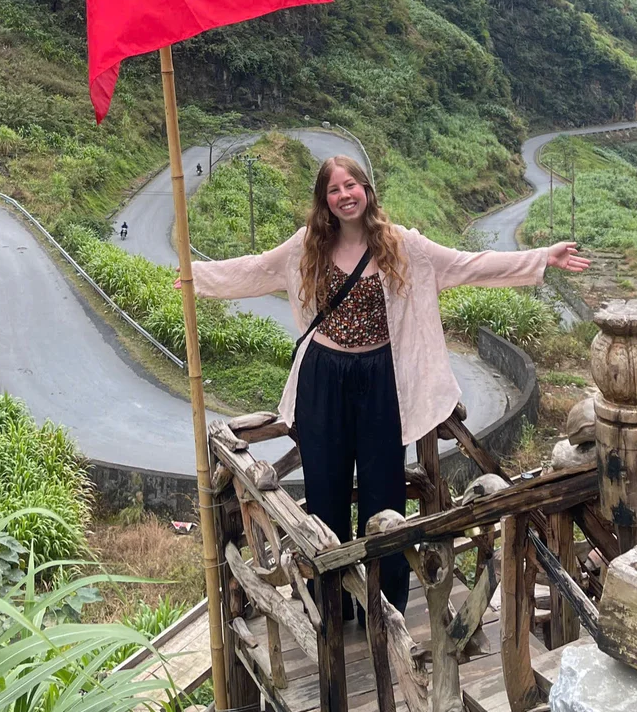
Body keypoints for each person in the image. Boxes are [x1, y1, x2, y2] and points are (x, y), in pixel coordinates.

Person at [181, 155, 588, 623]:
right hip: (323, 379)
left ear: (367, 190)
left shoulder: (402, 246)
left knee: (384, 494)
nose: (344, 196)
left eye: (351, 185)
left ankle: (384, 606)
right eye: (334, 190)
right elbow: (255, 270)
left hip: (381, 379)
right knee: (326, 492)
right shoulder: (308, 245)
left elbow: (468, 264)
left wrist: (540, 257)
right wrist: (197, 278)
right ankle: (330, 607)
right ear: (324, 201)